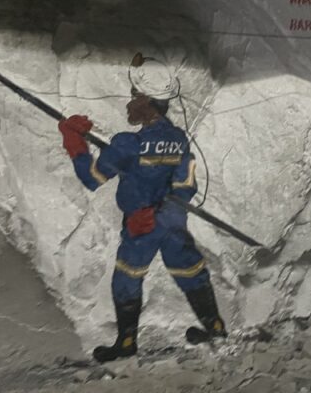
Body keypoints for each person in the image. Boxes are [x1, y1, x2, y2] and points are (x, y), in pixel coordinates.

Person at [57, 54, 226, 363]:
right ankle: (215, 327)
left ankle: (126, 343)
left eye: (134, 95)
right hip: (173, 222)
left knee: (127, 277)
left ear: (147, 100)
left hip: (141, 225)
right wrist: (167, 212)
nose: (129, 102)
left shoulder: (126, 144)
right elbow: (186, 185)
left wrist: (74, 141)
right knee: (190, 270)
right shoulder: (178, 139)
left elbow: (92, 178)